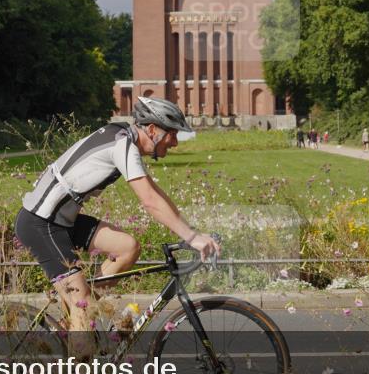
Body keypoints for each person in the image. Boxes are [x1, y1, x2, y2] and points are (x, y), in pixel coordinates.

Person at [16, 97, 220, 342]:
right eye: (172, 134)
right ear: (153, 130)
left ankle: (77, 319)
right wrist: (192, 237)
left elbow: (156, 194)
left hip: (62, 222)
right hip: (40, 224)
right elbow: (149, 201)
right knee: (82, 305)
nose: (175, 142)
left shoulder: (123, 138)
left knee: (127, 248)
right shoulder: (122, 144)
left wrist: (191, 232)